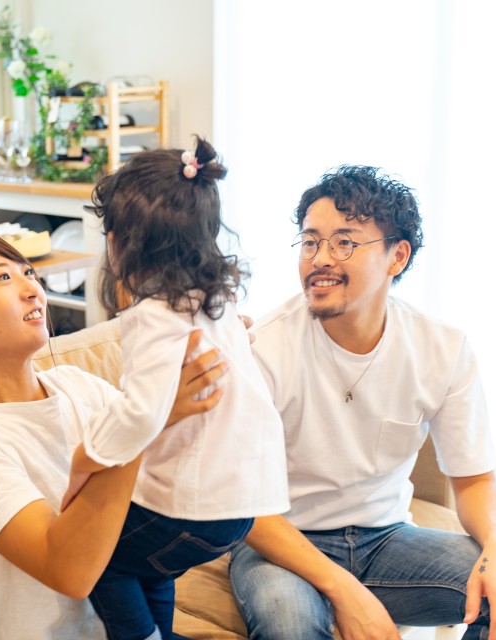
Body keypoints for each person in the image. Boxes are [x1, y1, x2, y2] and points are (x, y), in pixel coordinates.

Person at [230, 165, 496, 640]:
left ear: (397, 256)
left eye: (344, 242)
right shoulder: (263, 349)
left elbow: (475, 479)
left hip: (386, 539)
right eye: (310, 242)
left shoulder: (441, 348)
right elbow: (242, 506)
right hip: (281, 543)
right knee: (289, 623)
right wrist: (345, 591)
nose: (320, 258)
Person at [0, 227, 226, 639]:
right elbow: (69, 572)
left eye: (28, 272)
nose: (32, 290)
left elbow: (164, 474)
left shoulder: (80, 387)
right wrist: (147, 422)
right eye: (3, 277)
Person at [65, 137, 289, 640]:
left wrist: (85, 459)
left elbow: (140, 413)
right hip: (241, 507)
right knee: (151, 564)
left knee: (98, 555)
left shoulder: (152, 315)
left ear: (120, 244)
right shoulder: (216, 303)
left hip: (192, 503)